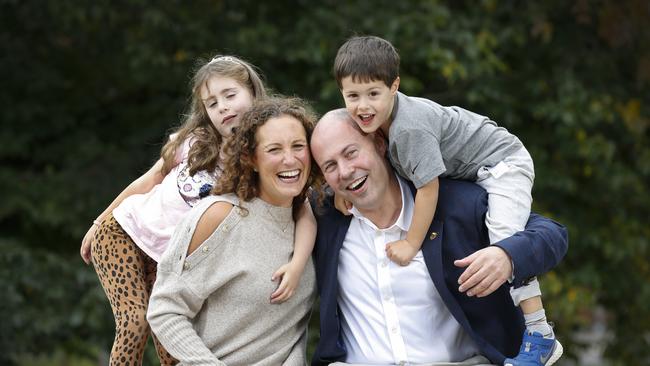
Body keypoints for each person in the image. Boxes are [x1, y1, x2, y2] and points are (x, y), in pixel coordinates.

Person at [333, 36, 561, 365]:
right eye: (352, 96)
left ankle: (540, 333)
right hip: (473, 168)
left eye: (373, 94)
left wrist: (411, 244)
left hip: (502, 164)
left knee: (505, 242)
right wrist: (342, 190)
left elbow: (428, 188)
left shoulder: (408, 130)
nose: (362, 106)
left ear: (394, 86)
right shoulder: (374, 120)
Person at [79, 56, 315, 365]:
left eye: (230, 95)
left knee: (173, 349)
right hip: (126, 230)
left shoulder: (252, 160)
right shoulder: (194, 142)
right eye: (212, 103)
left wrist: (297, 263)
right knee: (135, 321)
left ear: (254, 94)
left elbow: (302, 209)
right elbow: (150, 179)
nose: (223, 107)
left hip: (166, 254)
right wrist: (99, 221)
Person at [147, 97, 317, 365]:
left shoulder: (312, 220)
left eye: (298, 146)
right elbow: (165, 310)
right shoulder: (219, 216)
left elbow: (291, 333)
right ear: (251, 159)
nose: (289, 159)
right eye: (274, 149)